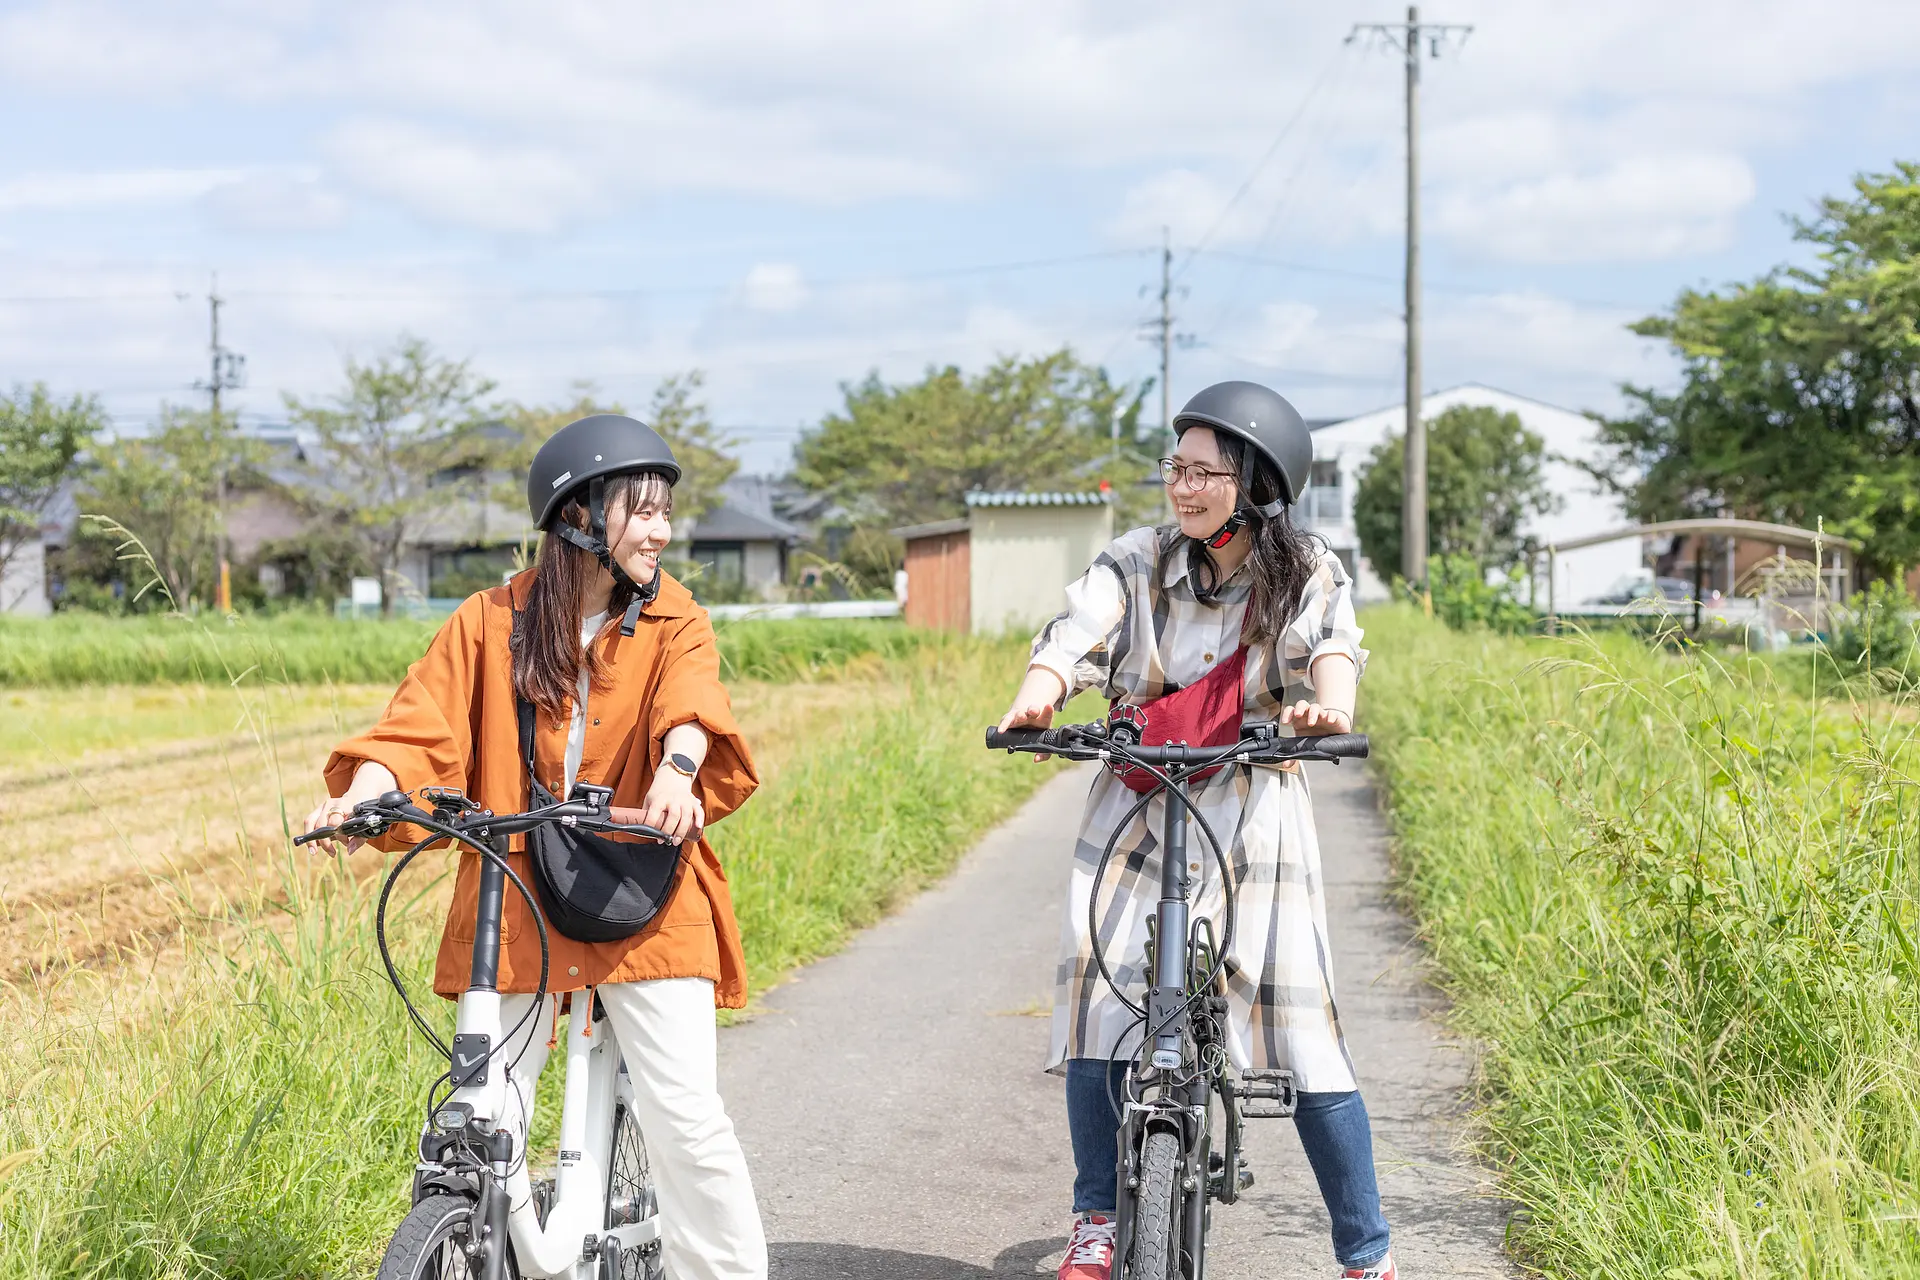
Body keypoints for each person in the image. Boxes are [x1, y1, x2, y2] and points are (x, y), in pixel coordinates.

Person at [304, 414, 768, 1280]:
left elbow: (694, 705)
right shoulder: (488, 622)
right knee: (486, 1113)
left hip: (648, 890)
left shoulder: (677, 619)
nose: (662, 530)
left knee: (686, 1119)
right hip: (514, 891)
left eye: (666, 511)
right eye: (642, 510)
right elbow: (419, 729)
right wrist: (364, 796)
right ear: (580, 518)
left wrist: (676, 771)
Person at [997, 382, 1395, 1280]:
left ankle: (1367, 1257)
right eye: (1175, 468)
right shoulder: (1137, 560)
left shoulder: (1304, 567)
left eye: (1205, 473)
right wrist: (1044, 687)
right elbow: (1078, 628)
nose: (1183, 487)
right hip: (1142, 794)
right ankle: (1096, 1219)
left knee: (1297, 1017)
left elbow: (1329, 639)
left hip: (1255, 799)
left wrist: (1330, 707)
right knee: (1101, 992)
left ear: (1255, 482)